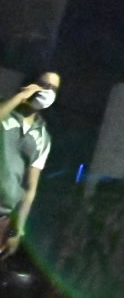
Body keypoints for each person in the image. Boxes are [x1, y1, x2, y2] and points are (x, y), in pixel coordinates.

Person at [0, 71, 59, 259]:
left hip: (3, 214)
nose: (47, 91)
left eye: (53, 88)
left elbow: (30, 188)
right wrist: (20, 97)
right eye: (44, 84)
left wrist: (18, 229)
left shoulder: (43, 137)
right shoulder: (6, 110)